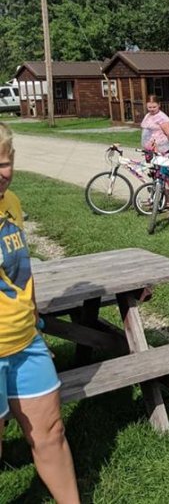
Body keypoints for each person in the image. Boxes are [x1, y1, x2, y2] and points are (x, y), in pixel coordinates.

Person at [0, 123, 80, 503]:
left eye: (4, 163)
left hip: (24, 342)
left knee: (51, 433)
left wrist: (35, 328)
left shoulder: (11, 203)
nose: (0, 173)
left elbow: (21, 275)